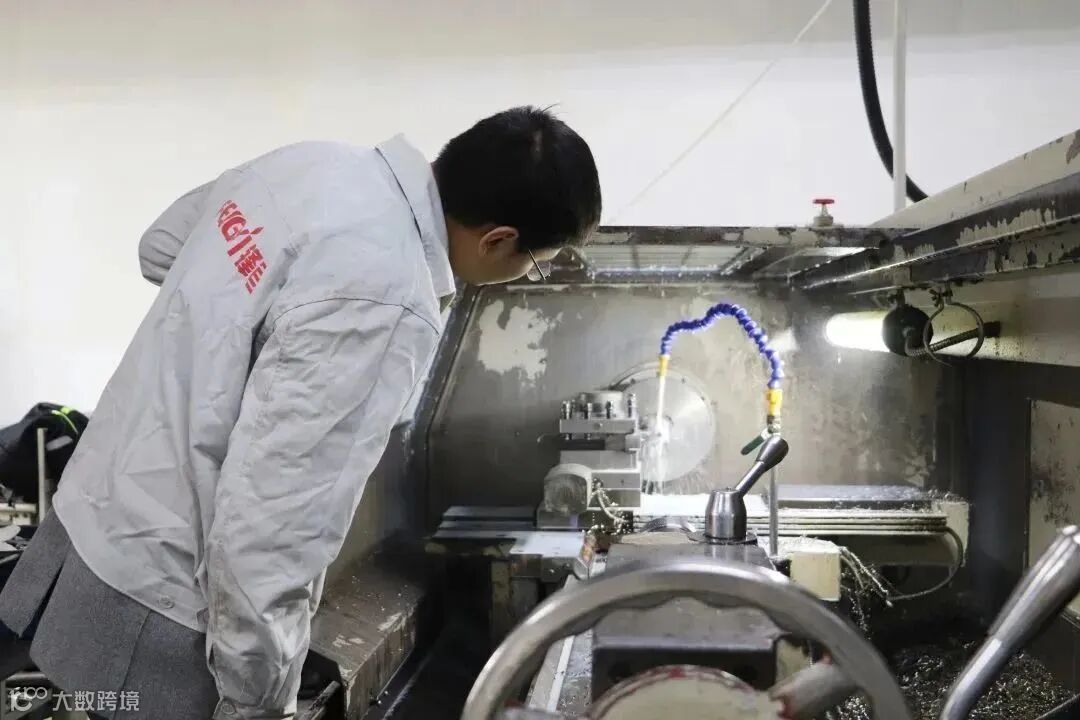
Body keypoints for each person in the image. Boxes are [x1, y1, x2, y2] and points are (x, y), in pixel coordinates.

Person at [0, 106, 602, 720]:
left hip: (90, 521)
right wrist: (257, 700)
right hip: (162, 598)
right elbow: (272, 525)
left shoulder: (313, 164)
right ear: (498, 239)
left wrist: (232, 336)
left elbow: (159, 247)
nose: (524, 274)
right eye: (533, 262)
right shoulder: (388, 299)